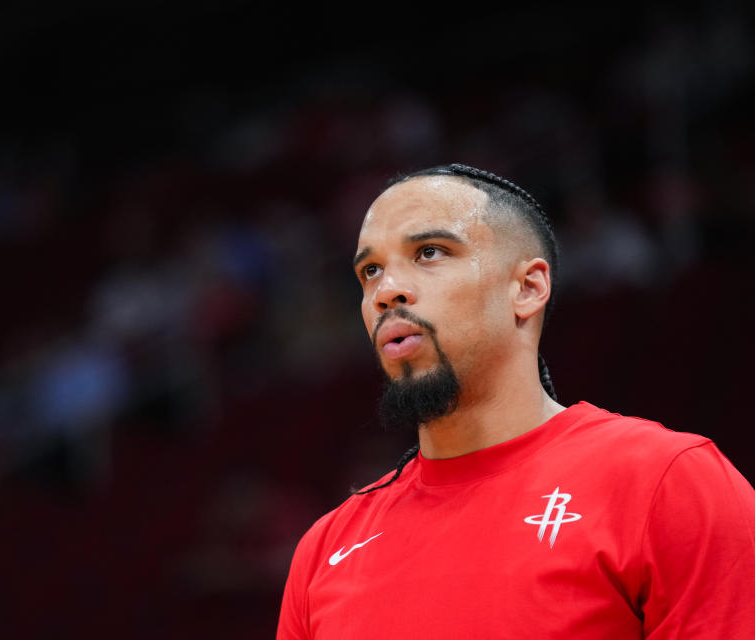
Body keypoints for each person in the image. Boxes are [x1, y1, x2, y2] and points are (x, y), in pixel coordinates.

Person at [276, 164, 755, 638]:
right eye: (370, 270)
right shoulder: (326, 549)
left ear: (527, 288)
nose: (385, 292)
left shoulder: (668, 482)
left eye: (429, 252)